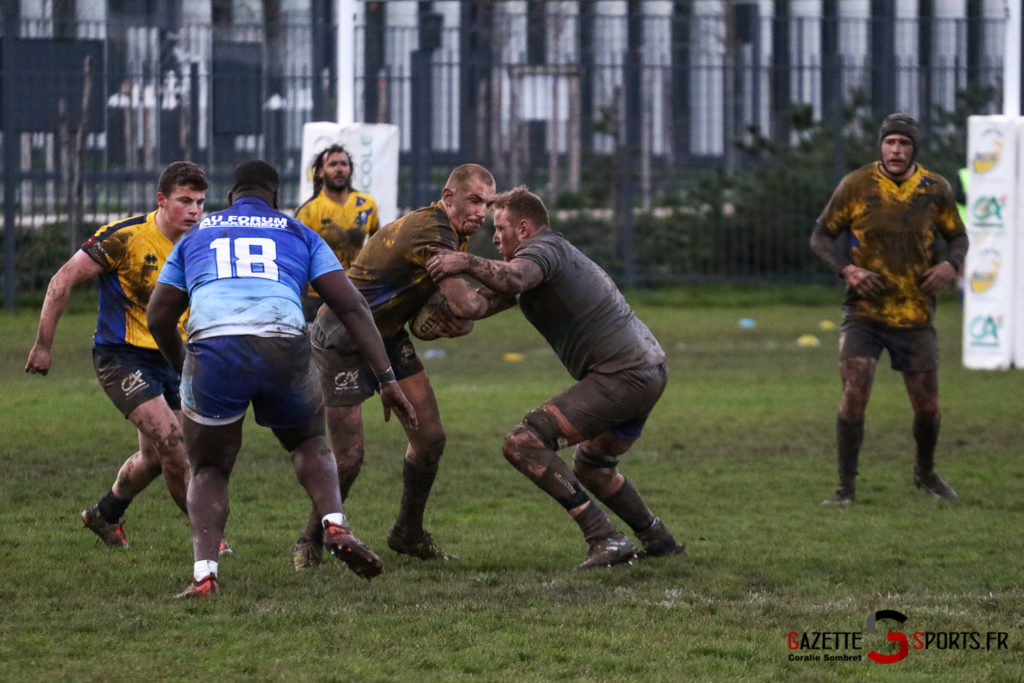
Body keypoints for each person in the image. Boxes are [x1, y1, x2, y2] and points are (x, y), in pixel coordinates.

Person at [147, 160, 417, 598]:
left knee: (210, 465)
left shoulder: (198, 233)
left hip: (214, 350)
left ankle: (205, 575)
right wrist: (386, 378)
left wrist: (182, 366)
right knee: (309, 442)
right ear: (275, 198)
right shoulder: (298, 231)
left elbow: (158, 315)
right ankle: (334, 524)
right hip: (283, 340)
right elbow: (352, 307)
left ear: (230, 197)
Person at [426, 186, 684, 569]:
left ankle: (605, 537)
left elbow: (511, 279)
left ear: (525, 228)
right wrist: (437, 272)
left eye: (500, 227)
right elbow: (473, 306)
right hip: (646, 371)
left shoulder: (543, 252)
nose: (494, 237)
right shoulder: (531, 265)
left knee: (523, 443)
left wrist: (462, 262)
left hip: (624, 375)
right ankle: (658, 540)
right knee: (594, 467)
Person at [296, 163, 495, 570]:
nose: (482, 212)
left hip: (386, 334)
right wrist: (519, 286)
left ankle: (408, 533)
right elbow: (466, 305)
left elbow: (434, 303)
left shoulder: (460, 231)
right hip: (343, 336)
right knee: (349, 458)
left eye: (489, 204)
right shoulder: (432, 231)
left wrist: (431, 319)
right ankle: (309, 540)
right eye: (475, 200)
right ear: (448, 196)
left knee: (431, 437)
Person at [25, 161, 217, 550]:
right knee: (173, 442)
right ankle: (210, 537)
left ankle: (105, 513)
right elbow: (62, 280)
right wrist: (43, 345)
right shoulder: (125, 237)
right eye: (185, 201)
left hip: (174, 357)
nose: (195, 210)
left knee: (153, 455)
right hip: (121, 356)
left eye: (200, 202)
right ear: (161, 200)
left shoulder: (202, 242)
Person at [809, 113, 968, 506]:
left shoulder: (935, 189)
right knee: (853, 396)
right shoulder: (857, 185)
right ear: (881, 145)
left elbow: (958, 237)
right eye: (890, 142)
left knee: (927, 405)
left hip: (914, 315)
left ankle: (925, 473)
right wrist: (847, 270)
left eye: (905, 143)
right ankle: (846, 486)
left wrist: (950, 265)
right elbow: (820, 237)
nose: (897, 150)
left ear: (914, 148)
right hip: (864, 313)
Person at [295, 144, 380, 322]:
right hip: (318, 296)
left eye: (344, 164)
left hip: (357, 290)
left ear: (350, 169)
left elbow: (378, 246)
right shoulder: (308, 211)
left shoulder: (367, 204)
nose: (339, 169)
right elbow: (298, 259)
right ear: (320, 173)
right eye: (333, 164)